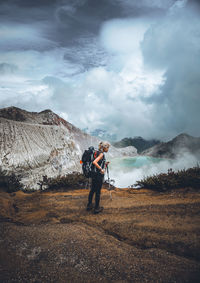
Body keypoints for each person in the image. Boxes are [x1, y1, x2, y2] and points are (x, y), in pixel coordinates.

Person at [86, 141, 110, 214]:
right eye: (107, 147)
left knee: (92, 189)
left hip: (93, 174)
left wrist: (105, 164)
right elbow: (95, 162)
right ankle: (97, 208)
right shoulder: (101, 154)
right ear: (104, 148)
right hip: (98, 175)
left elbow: (95, 162)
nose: (108, 149)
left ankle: (89, 205)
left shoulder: (95, 152)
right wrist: (101, 169)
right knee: (98, 192)